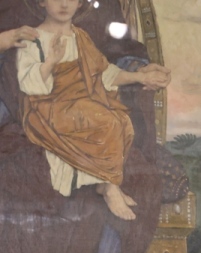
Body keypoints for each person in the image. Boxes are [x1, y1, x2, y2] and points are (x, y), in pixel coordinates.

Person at [16, 0, 170, 221]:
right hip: (48, 108)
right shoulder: (33, 39)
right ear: (42, 1)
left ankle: (103, 182)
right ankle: (110, 187)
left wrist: (141, 76)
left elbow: (104, 74)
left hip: (80, 102)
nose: (64, 4)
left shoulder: (80, 37)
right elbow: (28, 84)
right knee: (107, 122)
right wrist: (50, 62)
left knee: (123, 121)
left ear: (80, 4)